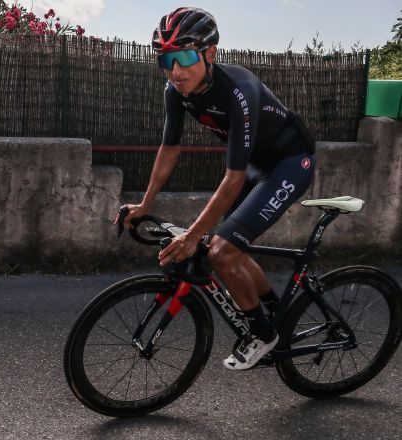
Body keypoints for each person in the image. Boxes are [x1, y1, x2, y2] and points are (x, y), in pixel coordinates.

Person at [116, 7, 316, 370]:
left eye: (184, 57)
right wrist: (145, 204)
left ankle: (263, 335)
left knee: (219, 251)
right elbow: (169, 149)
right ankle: (275, 315)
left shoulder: (239, 90)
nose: (175, 70)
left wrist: (192, 235)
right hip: (258, 166)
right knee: (229, 248)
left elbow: (233, 177)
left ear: (210, 53)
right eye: (165, 59)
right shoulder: (176, 92)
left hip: (290, 163)